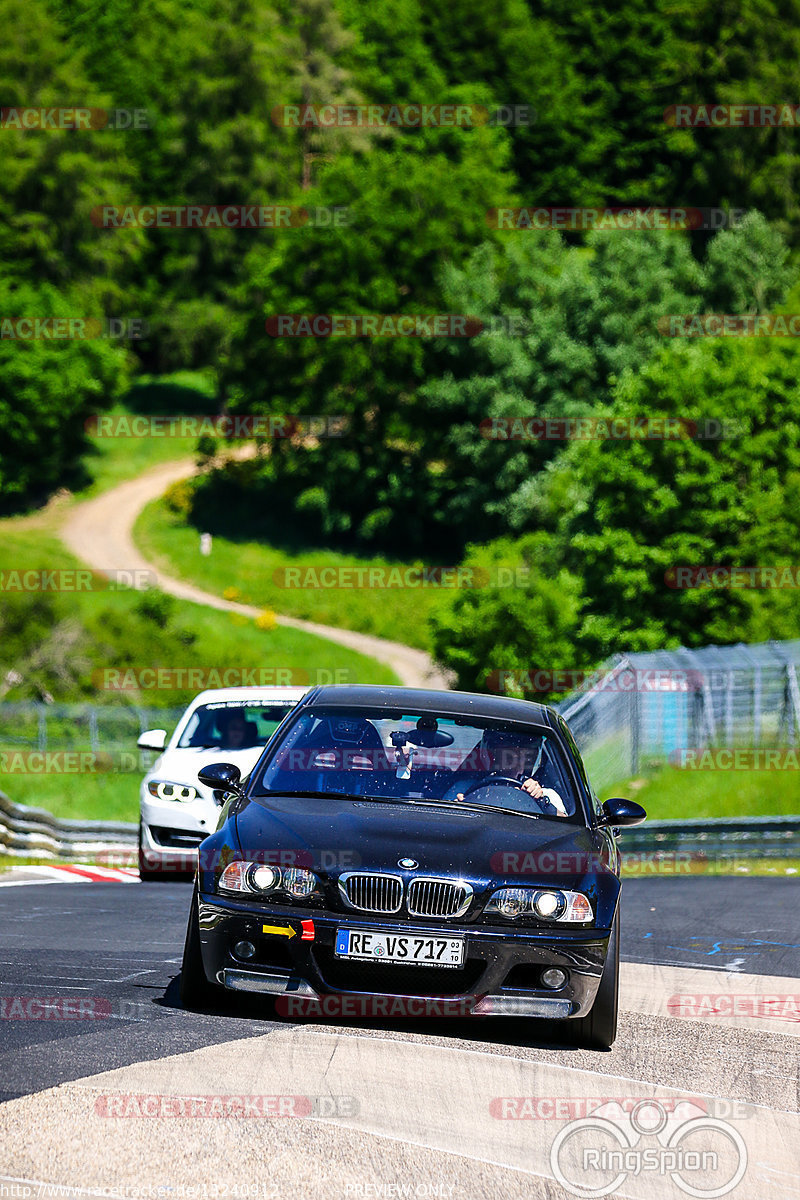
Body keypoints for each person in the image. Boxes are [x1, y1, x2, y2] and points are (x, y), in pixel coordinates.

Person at [448, 729, 568, 816]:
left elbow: (566, 830)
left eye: (523, 757)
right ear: (491, 756)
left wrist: (541, 802)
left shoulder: (546, 795)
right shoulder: (463, 788)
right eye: (509, 756)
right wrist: (459, 807)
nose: (515, 763)